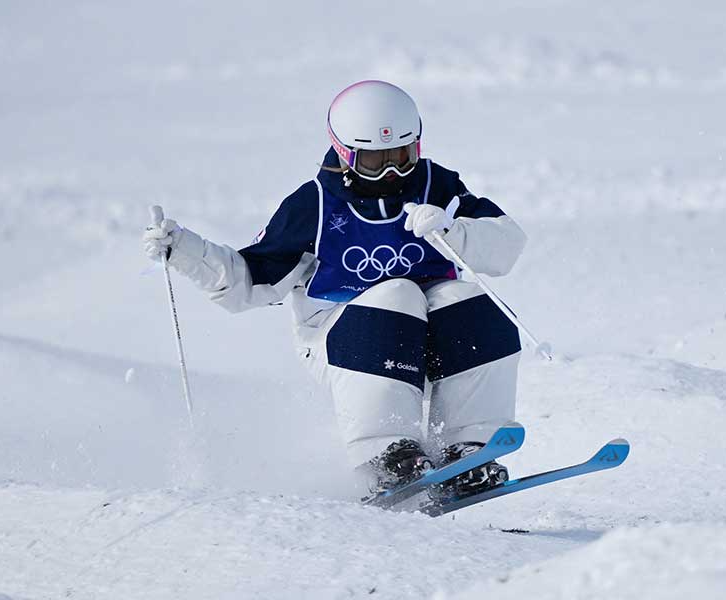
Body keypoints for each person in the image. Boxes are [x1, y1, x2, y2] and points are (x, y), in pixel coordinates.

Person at [143, 80, 527, 499]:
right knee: (394, 294)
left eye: (402, 156)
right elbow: (248, 283)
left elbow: (506, 246)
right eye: (375, 161)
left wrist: (455, 231)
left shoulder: (439, 186)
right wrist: (185, 252)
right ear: (346, 154)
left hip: (430, 337)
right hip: (339, 338)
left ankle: (467, 448)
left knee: (466, 298)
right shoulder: (316, 205)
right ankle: (387, 453)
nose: (392, 173)